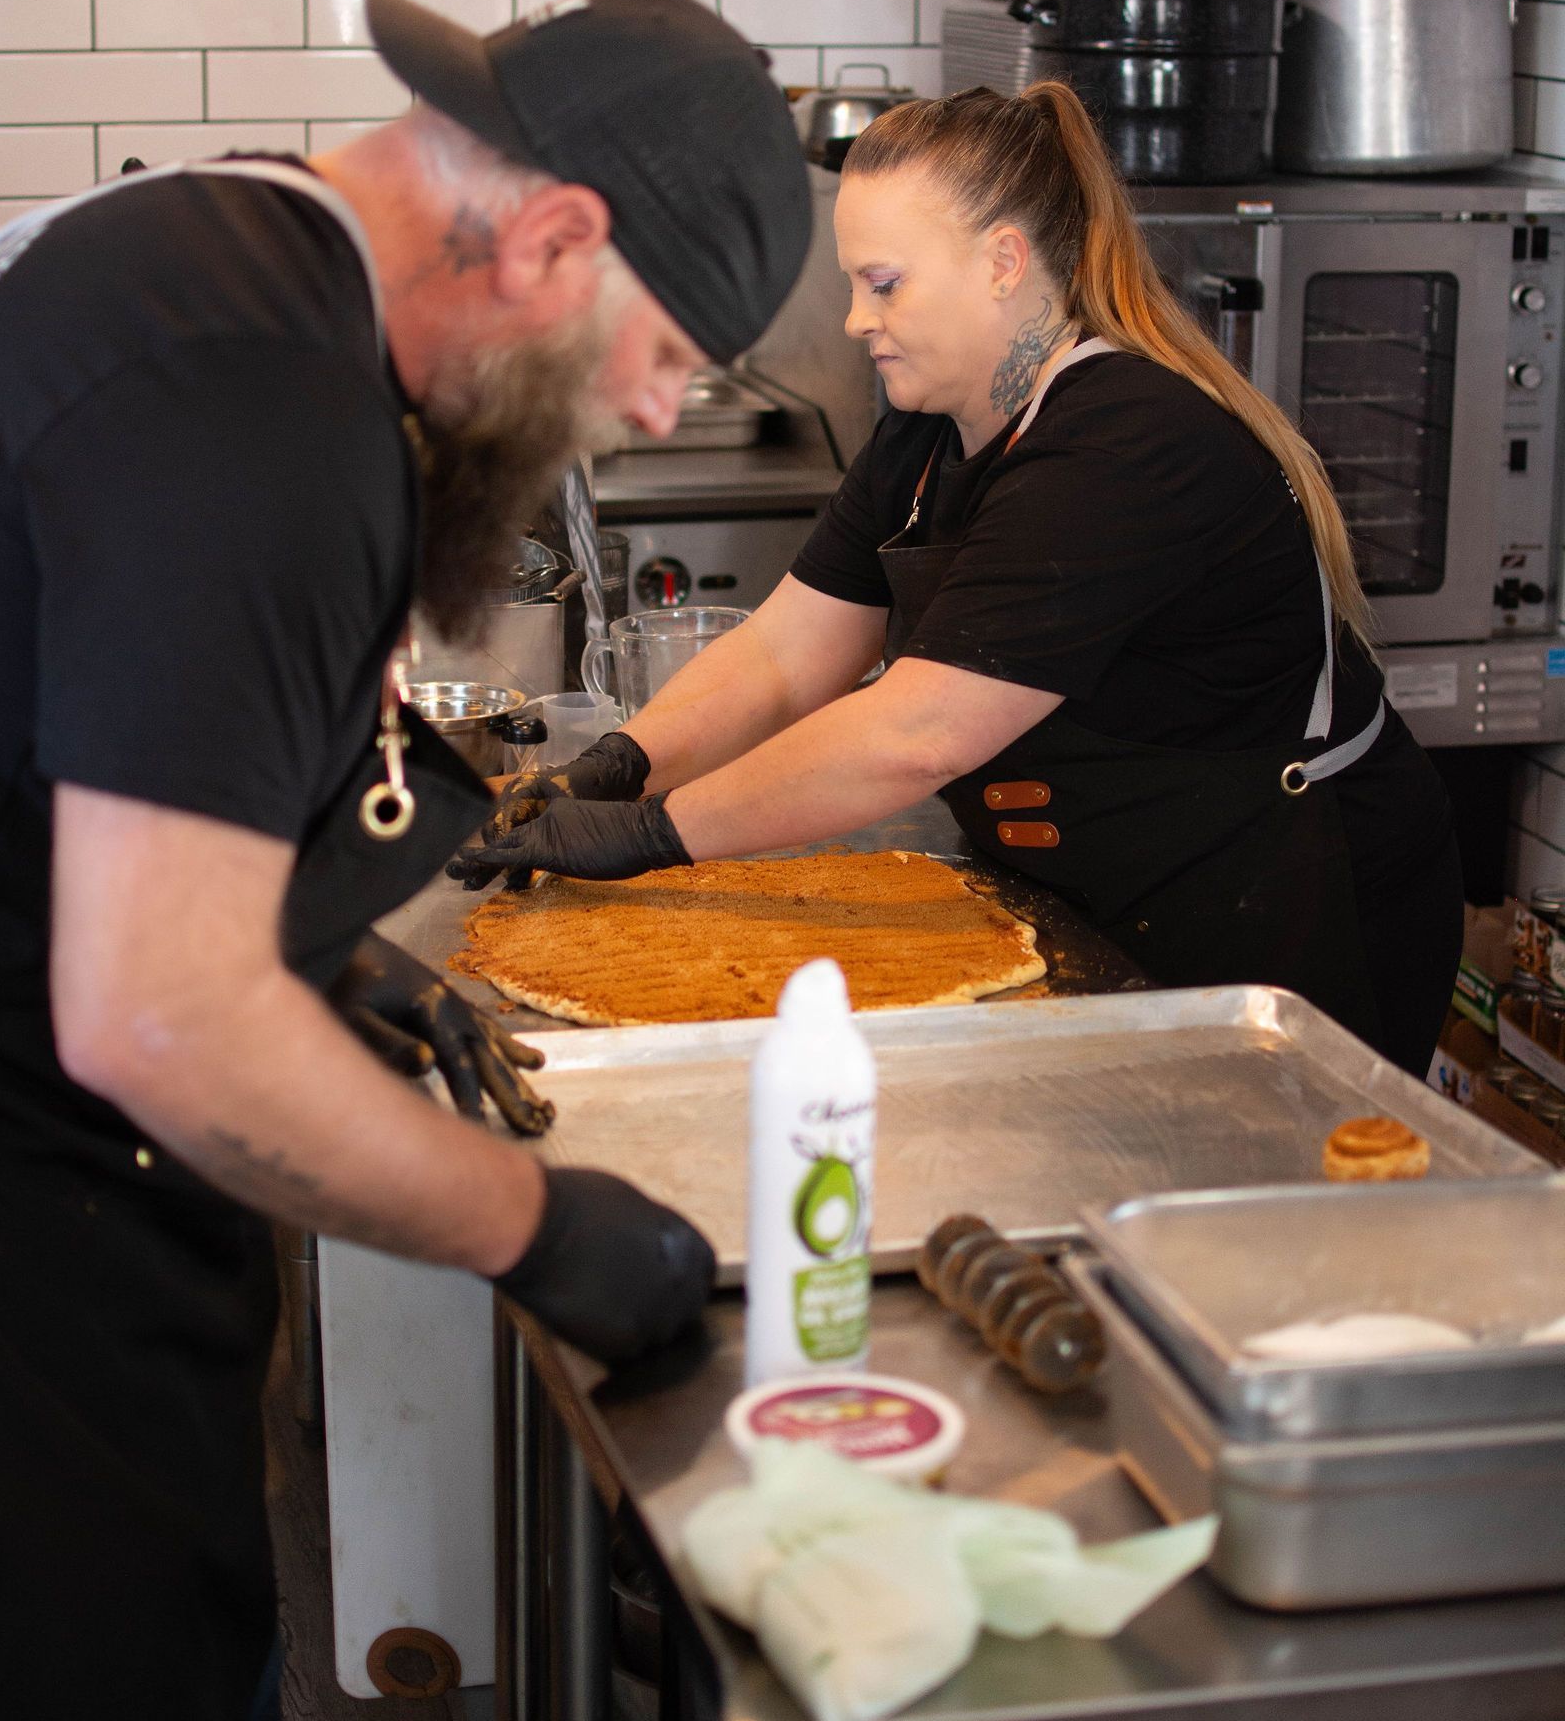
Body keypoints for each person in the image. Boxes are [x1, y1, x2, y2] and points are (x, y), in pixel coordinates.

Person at [0, 0, 810, 1721]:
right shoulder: (258, 399)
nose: (662, 413)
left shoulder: (199, 249)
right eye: (669, 355)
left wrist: (318, 954)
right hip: (8, 1313)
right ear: (547, 243)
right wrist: (531, 1226)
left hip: (57, 1241)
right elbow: (156, 1014)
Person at [453, 81, 1462, 1078]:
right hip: (1105, 898)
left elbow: (912, 734)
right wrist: (616, 768)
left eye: (883, 284)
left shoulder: (1125, 444)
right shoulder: (934, 427)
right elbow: (783, 652)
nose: (855, 319)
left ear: (1001, 264)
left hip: (1280, 916)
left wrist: (649, 835)